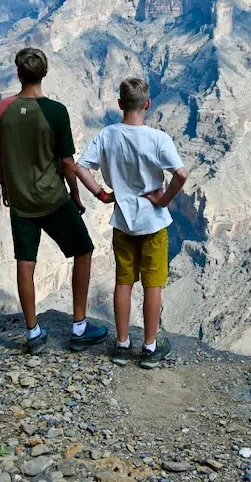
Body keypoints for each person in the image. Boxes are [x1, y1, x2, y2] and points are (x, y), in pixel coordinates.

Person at [0, 47, 109, 354]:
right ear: (44, 73)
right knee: (83, 251)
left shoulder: (4, 108)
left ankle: (33, 333)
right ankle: (79, 328)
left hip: (20, 202)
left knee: (25, 263)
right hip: (53, 200)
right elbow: (67, 163)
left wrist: (6, 187)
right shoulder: (55, 111)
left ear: (19, 73)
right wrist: (75, 194)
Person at [75, 76, 188, 369]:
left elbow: (79, 166)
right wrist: (163, 200)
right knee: (153, 286)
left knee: (123, 282)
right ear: (147, 104)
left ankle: (122, 345)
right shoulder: (158, 139)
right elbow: (182, 175)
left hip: (123, 222)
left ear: (120, 104)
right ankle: (149, 348)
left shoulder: (108, 135)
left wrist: (101, 193)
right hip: (153, 224)